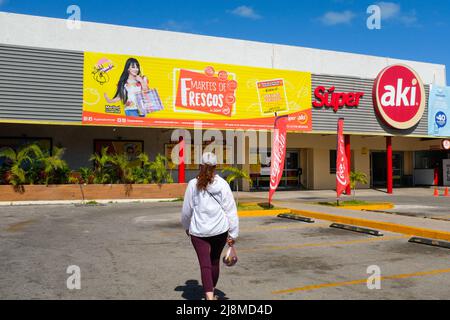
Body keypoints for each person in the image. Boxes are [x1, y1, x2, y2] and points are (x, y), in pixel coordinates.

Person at [181, 152, 239, 300]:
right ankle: (211, 293)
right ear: (215, 167)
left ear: (200, 166)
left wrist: (187, 227)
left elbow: (187, 211)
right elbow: (230, 210)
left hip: (199, 232)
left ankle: (209, 296)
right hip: (220, 231)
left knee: (204, 264)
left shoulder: (193, 184)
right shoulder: (222, 184)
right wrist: (233, 234)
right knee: (214, 262)